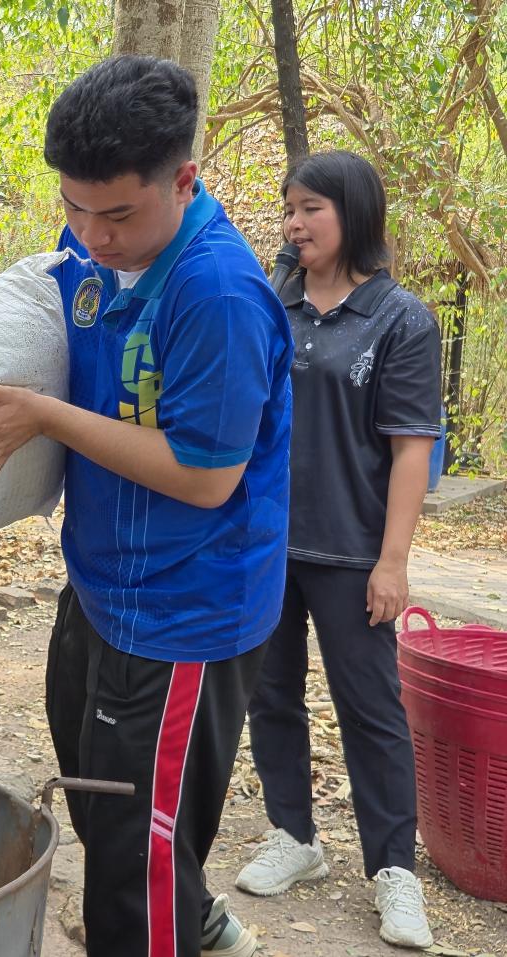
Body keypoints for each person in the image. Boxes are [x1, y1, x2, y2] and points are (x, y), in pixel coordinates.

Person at [0, 55, 293, 957]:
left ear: (184, 179)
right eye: (75, 207)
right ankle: (185, 906)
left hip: (182, 610)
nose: (92, 236)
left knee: (134, 871)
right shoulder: (100, 256)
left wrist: (45, 417)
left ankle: (165, 921)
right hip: (105, 586)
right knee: (112, 817)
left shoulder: (216, 293)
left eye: (119, 214)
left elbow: (205, 476)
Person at [236, 151, 439, 949]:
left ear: (352, 213)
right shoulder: (273, 300)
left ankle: (394, 869)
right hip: (266, 541)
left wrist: (394, 560)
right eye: (289, 209)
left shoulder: (400, 319)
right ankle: (294, 834)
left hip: (354, 552)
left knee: (372, 711)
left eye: (310, 208)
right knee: (269, 694)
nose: (294, 223)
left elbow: (412, 448)